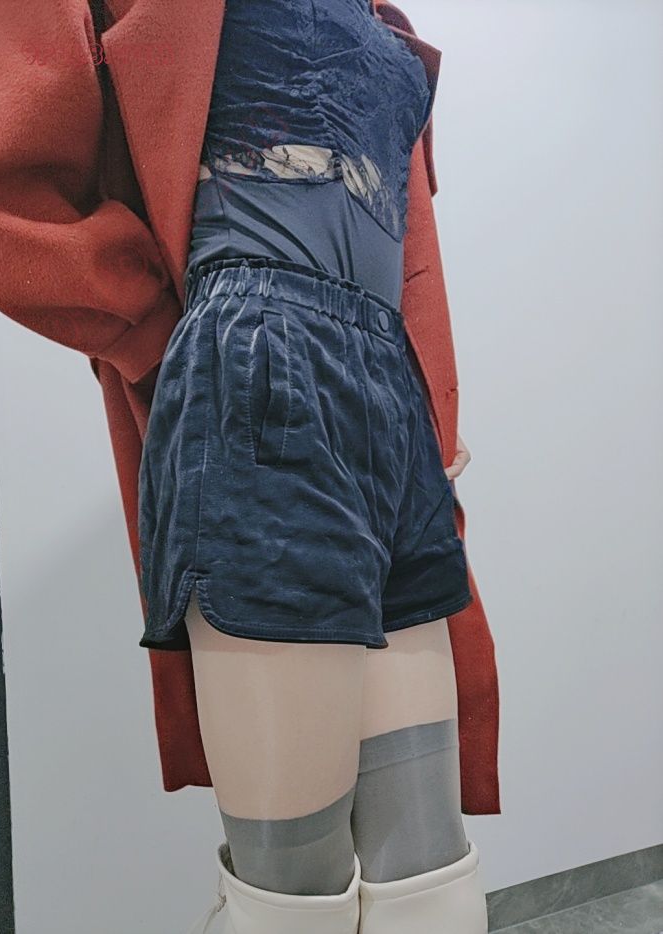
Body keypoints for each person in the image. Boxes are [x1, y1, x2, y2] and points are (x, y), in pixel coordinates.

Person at [136, 1, 490, 931]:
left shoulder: (380, 18)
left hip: (384, 393)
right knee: (294, 902)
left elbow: (406, 243)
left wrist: (433, 402)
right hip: (265, 364)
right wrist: (169, 330)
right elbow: (0, 182)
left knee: (433, 888)